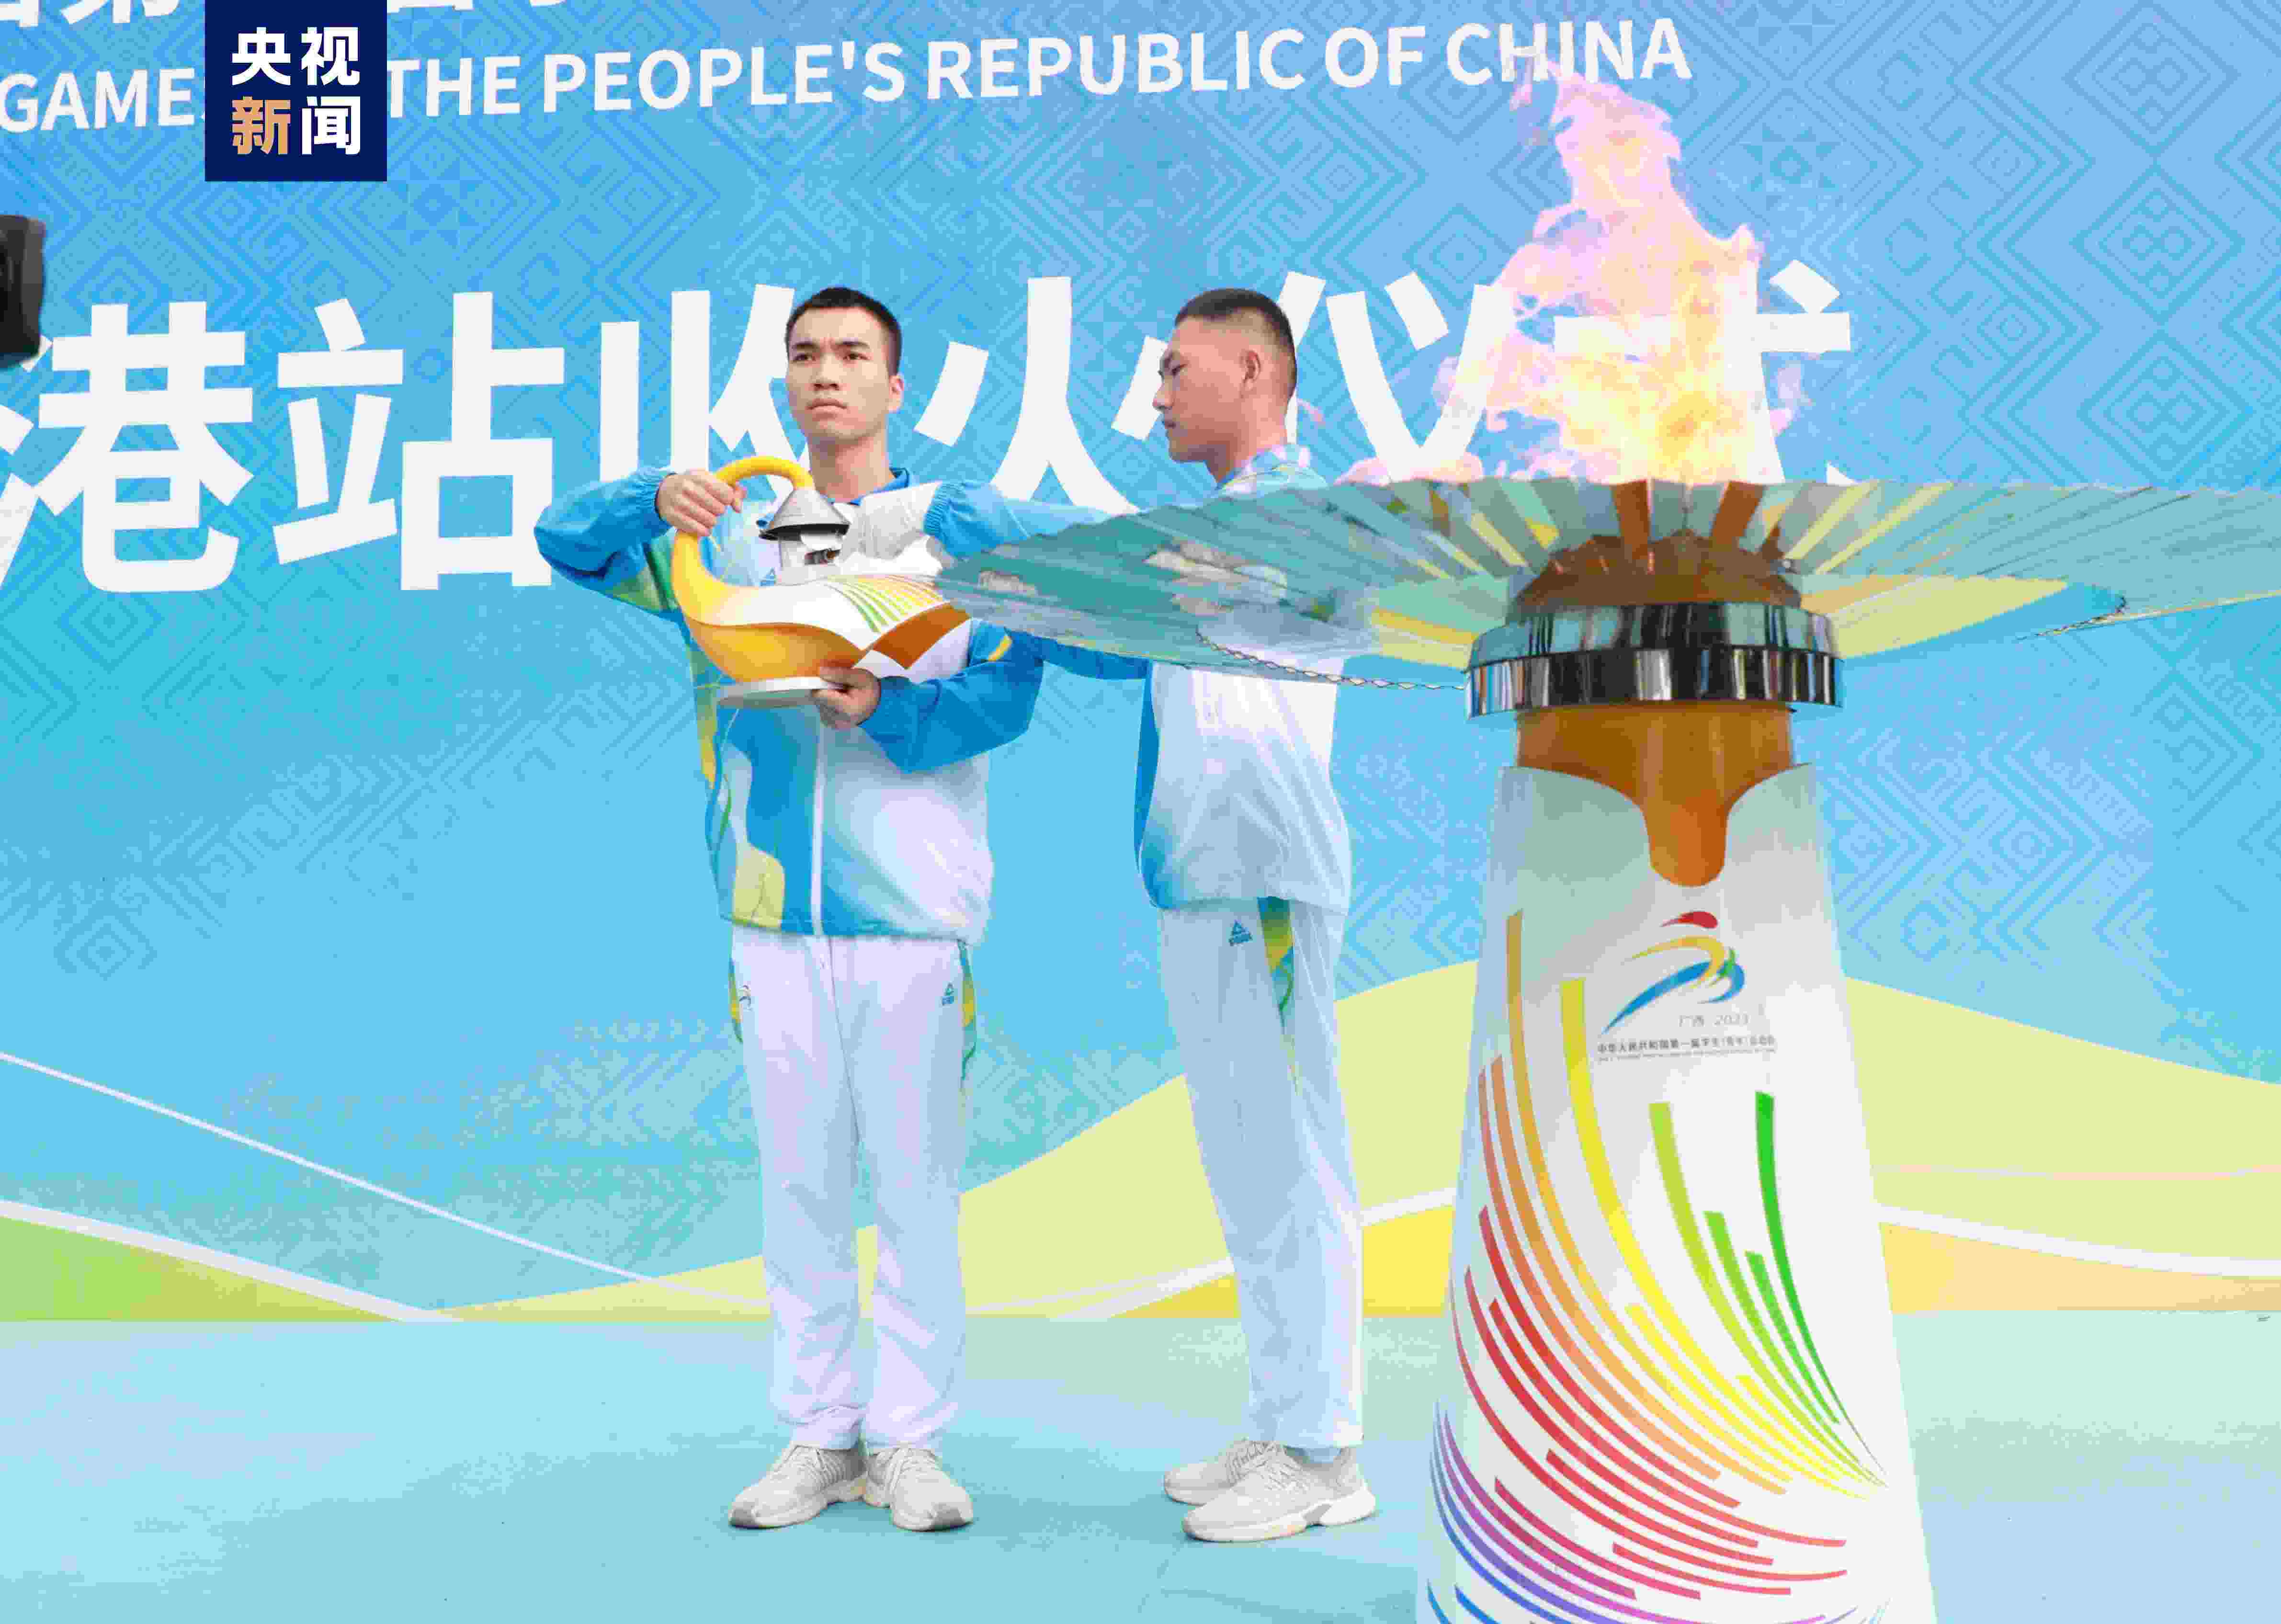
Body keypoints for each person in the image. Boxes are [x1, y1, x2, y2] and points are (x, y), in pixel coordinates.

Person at [532, 286, 1046, 1536]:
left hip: (914, 910)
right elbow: (566, 541)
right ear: (785, 383)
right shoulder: (731, 539)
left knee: (916, 1191)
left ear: (895, 387)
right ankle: (819, 1433)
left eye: (854, 355)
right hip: (769, 913)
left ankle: (910, 1442)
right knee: (800, 1189)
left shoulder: (946, 543)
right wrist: (650, 499)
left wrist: (892, 712)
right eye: (806, 354)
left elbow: (1009, 691)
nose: (828, 373)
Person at [907, 287, 1375, 1544]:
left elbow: (1133, 561)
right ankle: (1283, 1417)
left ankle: (1326, 1454)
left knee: (1292, 1156)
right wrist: (997, 593)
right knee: (1246, 1158)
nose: (1156, 396)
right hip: (1200, 873)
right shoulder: (1206, 543)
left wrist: (975, 519)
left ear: (1251, 369)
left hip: (1265, 871)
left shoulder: (1297, 515)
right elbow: (1114, 627)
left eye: (1176, 369)